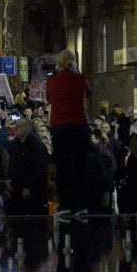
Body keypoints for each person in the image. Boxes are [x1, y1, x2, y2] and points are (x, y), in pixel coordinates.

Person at [46, 49, 92, 213]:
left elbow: (49, 98)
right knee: (80, 166)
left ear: (58, 64)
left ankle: (65, 205)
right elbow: (89, 93)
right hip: (79, 126)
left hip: (60, 128)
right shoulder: (81, 79)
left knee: (63, 167)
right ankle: (80, 205)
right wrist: (77, 73)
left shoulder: (52, 81)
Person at [6, 118, 50, 217]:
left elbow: (40, 169)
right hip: (15, 193)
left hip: (33, 195)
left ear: (25, 128)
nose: (14, 129)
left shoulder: (37, 146)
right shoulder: (14, 146)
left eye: (17, 127)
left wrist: (29, 186)